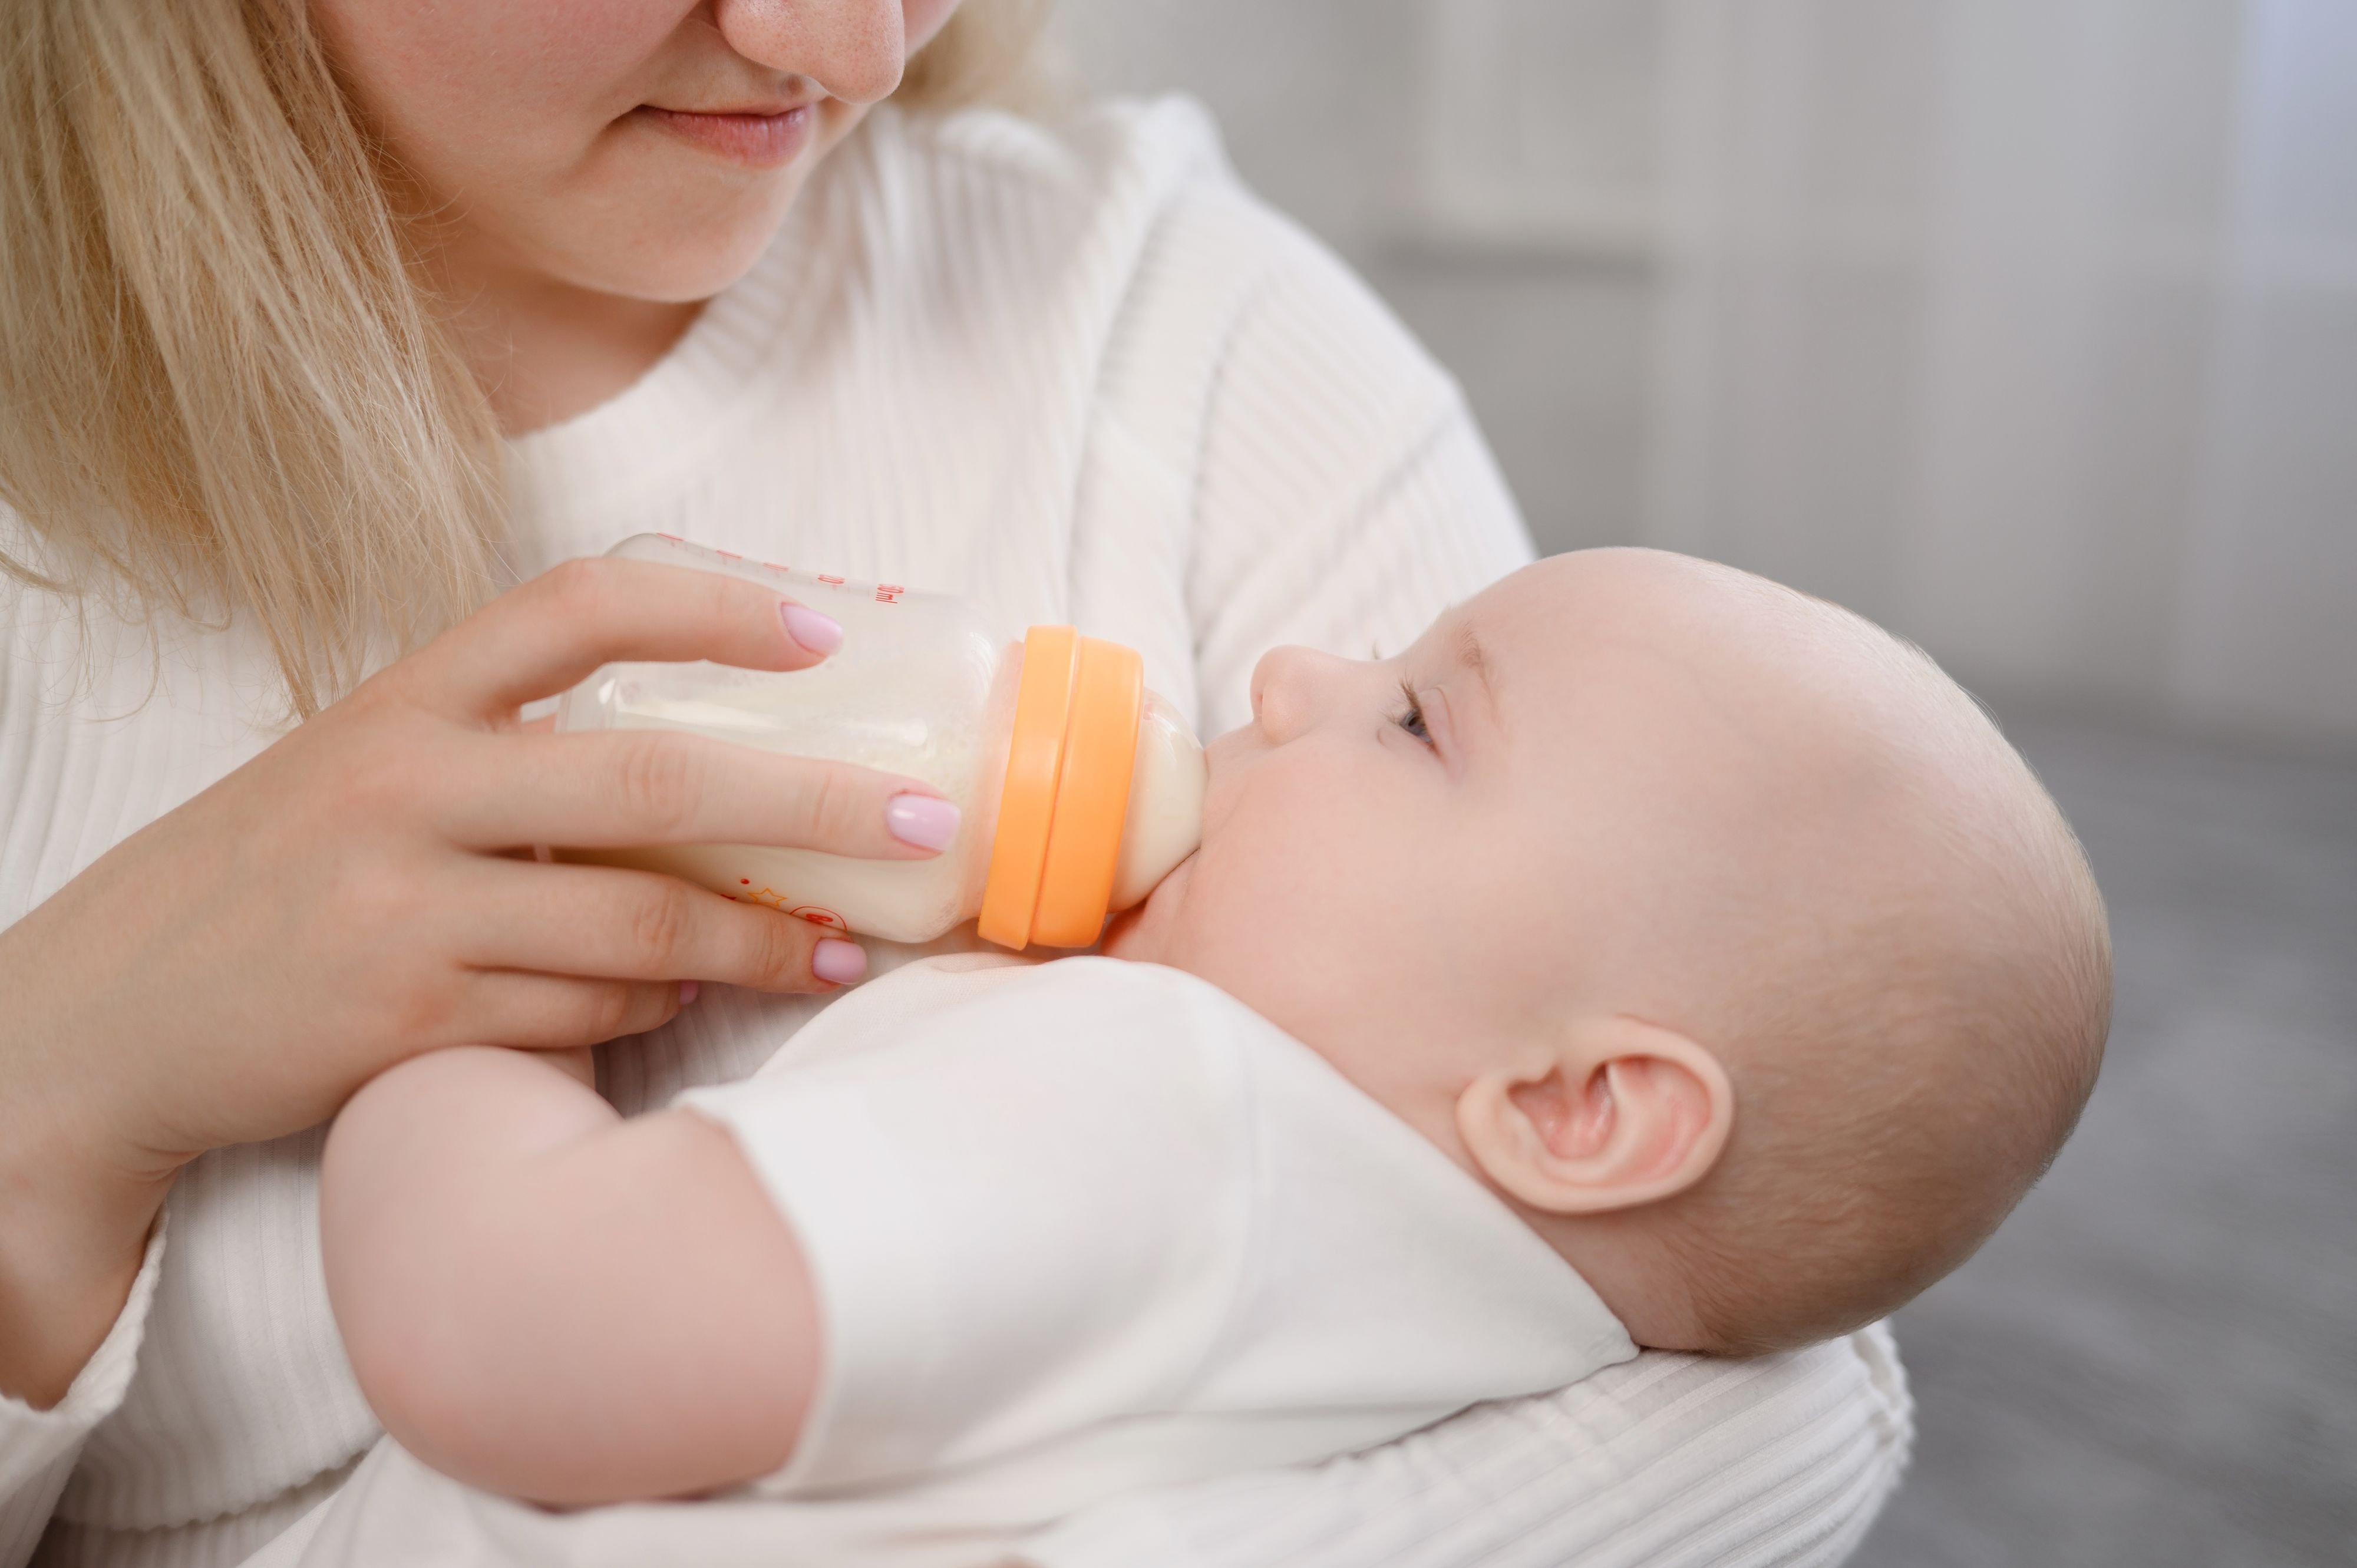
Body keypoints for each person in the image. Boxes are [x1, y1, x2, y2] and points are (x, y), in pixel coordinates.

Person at [0, 4, 1914, 1564]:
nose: (850, 43)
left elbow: (1772, 1323)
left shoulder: (1171, 322)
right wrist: (61, 1076)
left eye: (1410, 719)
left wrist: (460, 1040)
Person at [286, 550, 2109, 1568]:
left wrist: (464, 1012)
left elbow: (508, 1334)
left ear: (1573, 1110)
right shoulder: (1470, 1308)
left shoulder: (1184, 1117)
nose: (1299, 670)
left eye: (1413, 720)